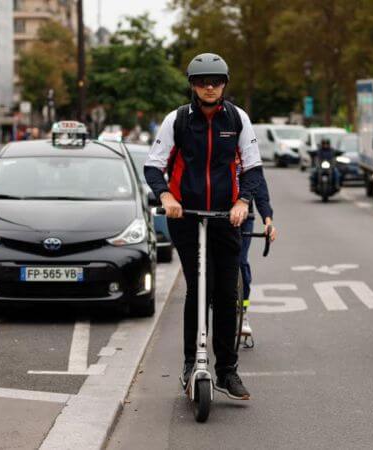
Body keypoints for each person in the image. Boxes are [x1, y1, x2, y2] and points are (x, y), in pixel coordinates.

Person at [144, 53, 274, 401]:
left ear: (224, 84)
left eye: (216, 82)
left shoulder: (238, 118)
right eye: (203, 82)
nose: (210, 87)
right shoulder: (177, 120)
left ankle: (227, 371)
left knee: (227, 294)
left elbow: (252, 168)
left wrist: (242, 202)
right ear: (193, 85)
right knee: (199, 288)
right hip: (186, 217)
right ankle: (192, 364)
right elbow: (153, 166)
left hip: (226, 217)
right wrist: (166, 196)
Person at [236, 154, 276, 340]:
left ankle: (243, 313)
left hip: (245, 217)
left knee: (241, 261)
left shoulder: (248, 154)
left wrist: (268, 221)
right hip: (218, 216)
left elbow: (261, 193)